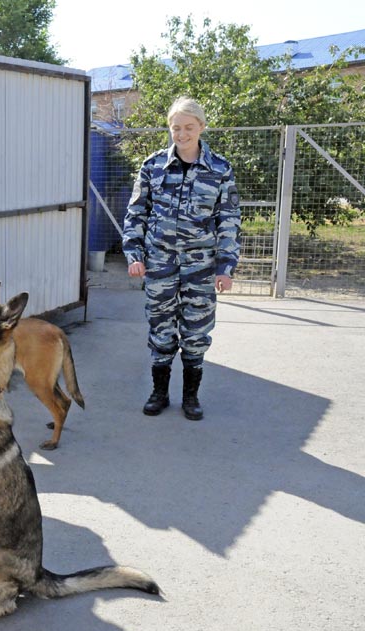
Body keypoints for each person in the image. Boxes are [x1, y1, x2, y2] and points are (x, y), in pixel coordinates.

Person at [122, 96, 241, 421]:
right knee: (160, 327)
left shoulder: (220, 169)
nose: (183, 133)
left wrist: (226, 266)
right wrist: (135, 254)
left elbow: (228, 219)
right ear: (170, 128)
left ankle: (191, 397)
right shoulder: (152, 166)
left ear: (201, 127)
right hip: (160, 264)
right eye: (177, 127)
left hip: (201, 267)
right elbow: (136, 213)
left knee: (196, 331)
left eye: (189, 127)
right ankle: (159, 392)